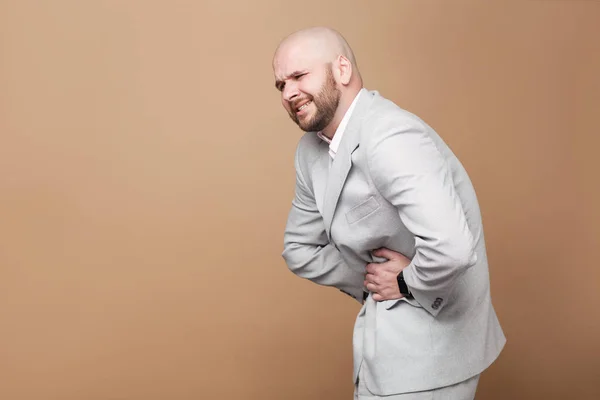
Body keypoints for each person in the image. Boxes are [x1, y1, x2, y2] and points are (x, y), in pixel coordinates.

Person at [273, 26, 506, 399]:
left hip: (437, 351)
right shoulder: (309, 152)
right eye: (280, 85)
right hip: (378, 346)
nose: (288, 93)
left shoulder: (390, 135)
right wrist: (376, 279)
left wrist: (404, 282)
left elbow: (453, 248)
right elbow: (299, 248)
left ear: (342, 70)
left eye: (299, 76)